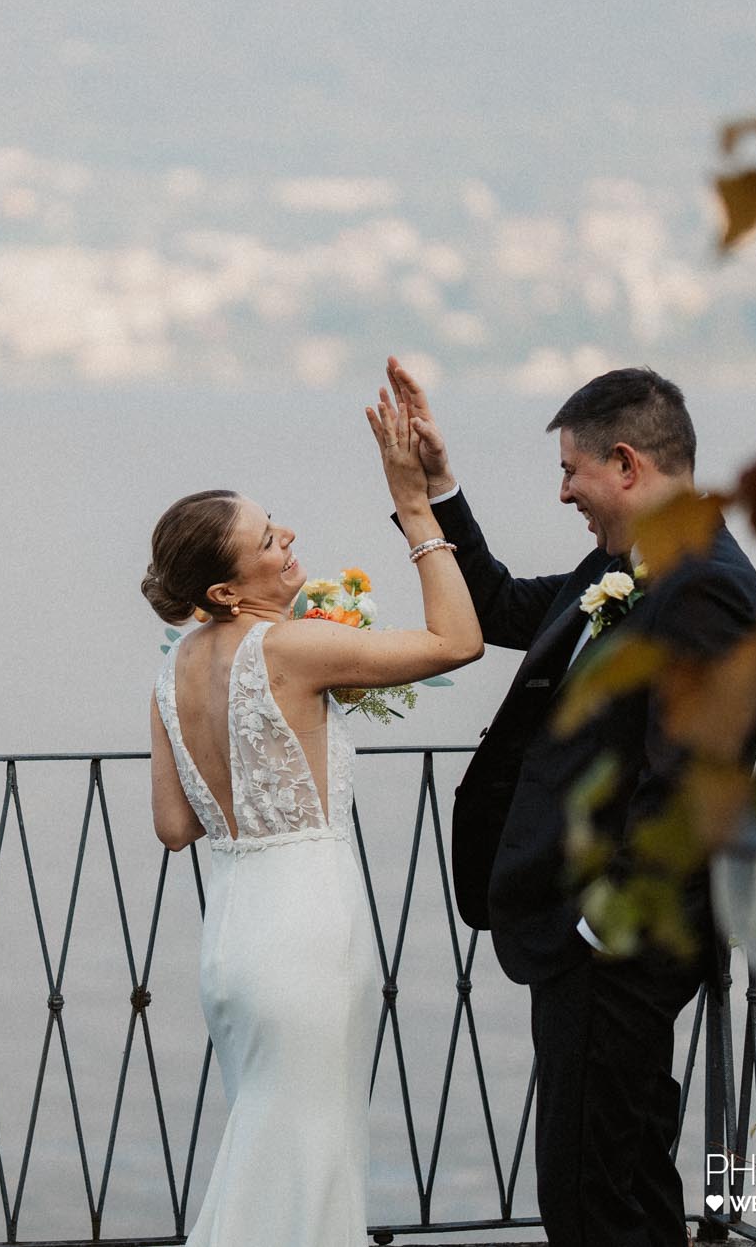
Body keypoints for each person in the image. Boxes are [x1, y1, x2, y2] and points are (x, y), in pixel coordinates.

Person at [386, 356, 756, 1247]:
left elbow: (690, 785)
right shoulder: (633, 564)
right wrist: (436, 486)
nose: (564, 492)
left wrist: (594, 931)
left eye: (571, 470)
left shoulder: (704, 582)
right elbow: (496, 605)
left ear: (626, 464)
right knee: (624, 1181)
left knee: (587, 1199)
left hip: (617, 950)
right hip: (594, 945)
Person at [142, 393, 482, 1245]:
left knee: (269, 1143)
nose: (287, 538)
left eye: (276, 525)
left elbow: (175, 828)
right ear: (224, 589)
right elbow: (458, 640)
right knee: (310, 1153)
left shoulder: (169, 672)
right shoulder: (292, 647)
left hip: (233, 938)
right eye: (267, 540)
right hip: (306, 929)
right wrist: (417, 512)